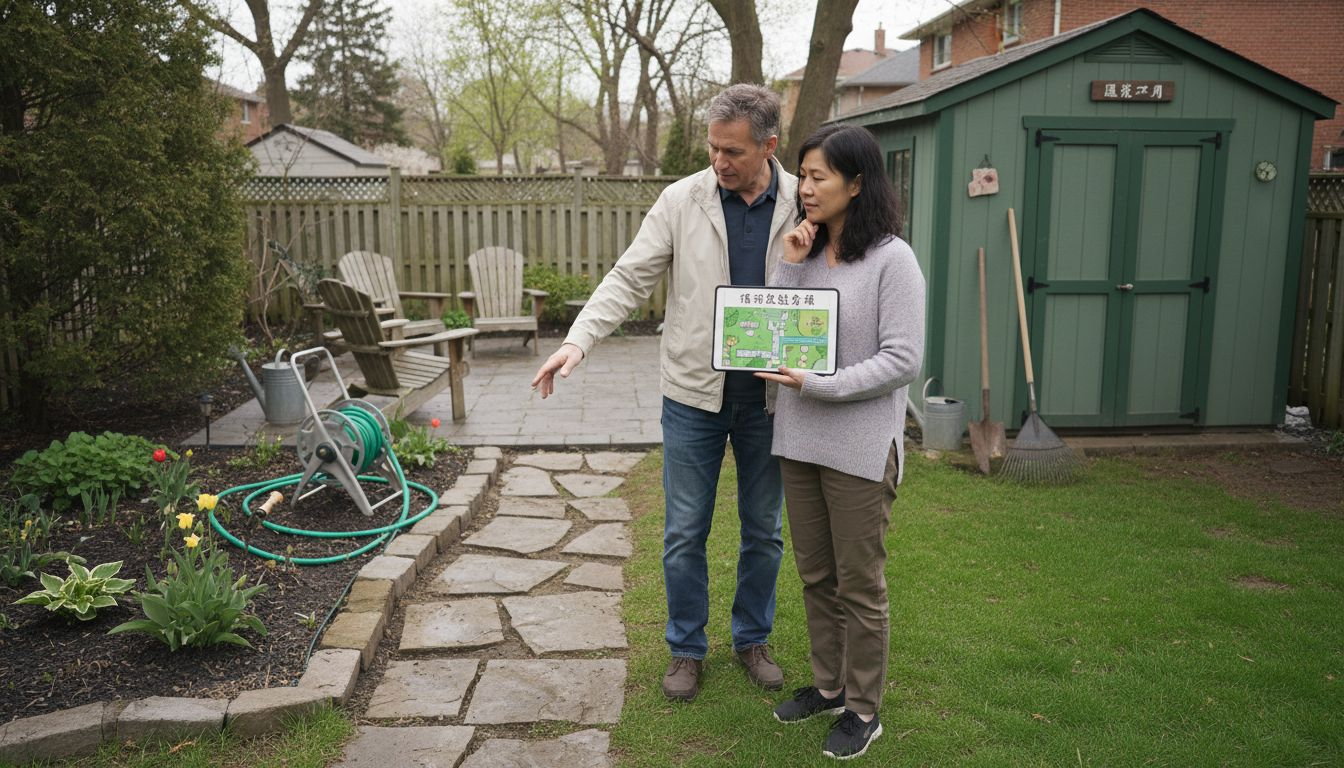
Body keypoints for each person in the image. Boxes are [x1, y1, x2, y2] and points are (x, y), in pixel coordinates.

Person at [531, 84, 799, 702]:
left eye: (733, 151)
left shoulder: (801, 202)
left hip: (772, 400)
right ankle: (686, 648)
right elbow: (629, 278)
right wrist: (577, 341)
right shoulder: (682, 200)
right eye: (713, 147)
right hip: (692, 396)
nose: (719, 161)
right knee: (683, 532)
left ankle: (752, 639)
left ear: (768, 145)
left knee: (764, 531)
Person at [754, 123, 925, 760]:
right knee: (815, 576)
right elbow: (772, 336)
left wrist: (821, 384)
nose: (805, 188)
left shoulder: (892, 260)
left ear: (856, 183)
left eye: (818, 176)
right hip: (798, 439)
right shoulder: (802, 250)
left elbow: (902, 360)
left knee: (859, 584)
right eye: (803, 175)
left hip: (859, 446)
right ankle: (829, 687)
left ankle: (864, 708)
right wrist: (788, 263)